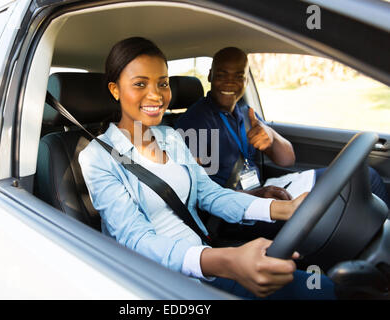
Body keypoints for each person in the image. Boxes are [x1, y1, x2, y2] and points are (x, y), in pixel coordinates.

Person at [79, 37, 336, 299]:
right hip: (159, 282)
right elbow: (137, 242)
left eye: (163, 83)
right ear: (115, 90)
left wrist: (284, 208)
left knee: (323, 289)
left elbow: (210, 194)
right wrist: (227, 261)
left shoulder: (170, 137)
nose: (156, 94)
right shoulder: (98, 157)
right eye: (140, 84)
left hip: (205, 258)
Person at [174, 47, 390, 207]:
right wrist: (255, 197)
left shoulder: (245, 113)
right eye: (222, 75)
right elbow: (199, 195)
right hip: (237, 207)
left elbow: (287, 160)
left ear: (246, 81)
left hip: (264, 190)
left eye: (238, 76)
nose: (230, 83)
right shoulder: (194, 122)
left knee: (363, 176)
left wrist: (271, 136)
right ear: (210, 75)